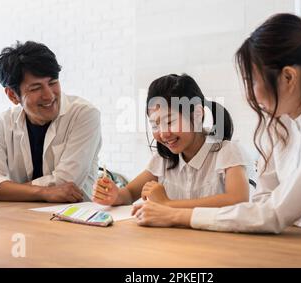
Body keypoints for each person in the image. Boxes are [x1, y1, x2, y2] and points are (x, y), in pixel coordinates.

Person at [132, 13, 301, 233]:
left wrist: (174, 215)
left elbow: (273, 213)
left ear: (288, 77)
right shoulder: (278, 128)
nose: (250, 94)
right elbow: (265, 201)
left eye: (253, 82)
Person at [93, 74, 250, 208]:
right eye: (155, 125)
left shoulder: (226, 150)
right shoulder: (163, 159)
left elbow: (237, 200)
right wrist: (114, 195)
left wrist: (167, 204)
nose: (163, 133)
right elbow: (128, 194)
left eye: (169, 122)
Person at [0, 41, 102, 203]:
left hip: (72, 217)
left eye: (53, 83)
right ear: (12, 95)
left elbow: (67, 182)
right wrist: (44, 193)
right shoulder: (4, 122)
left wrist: (7, 189)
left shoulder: (84, 114)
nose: (49, 96)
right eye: (35, 88)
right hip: (18, 216)